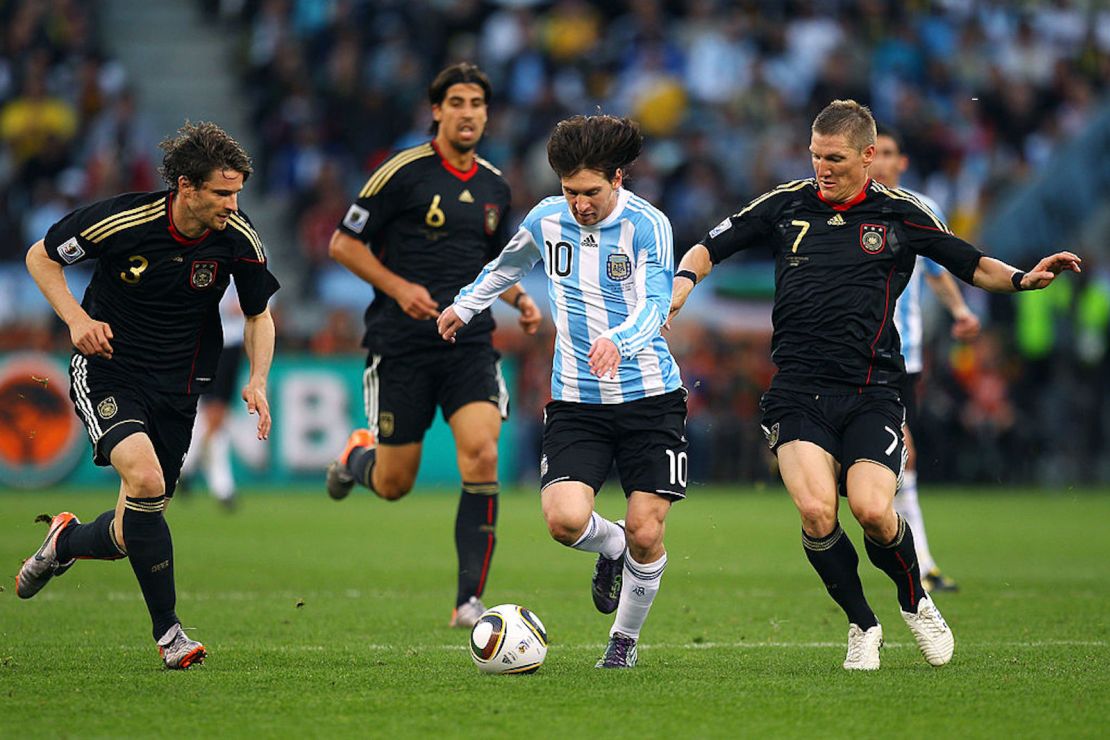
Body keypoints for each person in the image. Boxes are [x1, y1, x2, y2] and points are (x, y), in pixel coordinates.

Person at [669, 99, 1079, 671]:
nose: (822, 168)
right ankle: (863, 624)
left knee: (871, 511)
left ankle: (914, 599)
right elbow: (708, 246)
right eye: (815, 156)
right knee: (816, 512)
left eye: (834, 158)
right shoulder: (785, 205)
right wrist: (684, 281)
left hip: (871, 393)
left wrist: (1024, 279)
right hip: (798, 392)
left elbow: (970, 262)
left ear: (867, 156)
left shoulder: (901, 213)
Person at [17, 121, 279, 669]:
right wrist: (76, 318)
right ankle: (170, 636)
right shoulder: (124, 219)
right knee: (145, 479)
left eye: (237, 193)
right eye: (222, 193)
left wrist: (256, 379)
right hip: (109, 370)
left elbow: (258, 315)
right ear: (186, 187)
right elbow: (40, 257)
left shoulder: (238, 236)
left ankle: (63, 544)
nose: (233, 204)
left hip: (180, 387)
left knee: (133, 525)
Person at [439, 114, 687, 669]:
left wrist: (619, 341)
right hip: (577, 401)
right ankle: (613, 547)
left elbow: (656, 303)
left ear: (618, 178)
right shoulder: (547, 220)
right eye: (570, 191)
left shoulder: (650, 225)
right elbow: (507, 267)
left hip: (650, 398)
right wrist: (464, 305)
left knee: (649, 529)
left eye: (591, 192)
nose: (579, 203)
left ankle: (622, 644)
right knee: (564, 521)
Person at [324, 63, 542, 629]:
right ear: (437, 111)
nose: (468, 111)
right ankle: (355, 458)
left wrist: (517, 298)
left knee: (483, 452)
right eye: (457, 102)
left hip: (468, 342)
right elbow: (343, 244)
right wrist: (399, 289)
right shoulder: (402, 172)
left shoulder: (495, 186)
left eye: (477, 102)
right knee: (395, 484)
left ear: (486, 113)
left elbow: (495, 261)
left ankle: (468, 600)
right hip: (402, 345)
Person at [872, 124, 981, 592]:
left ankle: (916, 558)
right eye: (876, 152)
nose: (882, 162)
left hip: (902, 354)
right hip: (851, 352)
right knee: (900, 454)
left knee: (903, 455)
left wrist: (959, 310)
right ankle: (916, 559)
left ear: (903, 162)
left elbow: (939, 268)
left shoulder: (920, 210)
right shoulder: (836, 210)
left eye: (890, 153)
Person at [181, 284, 246, 510]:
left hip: (231, 344)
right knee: (215, 415)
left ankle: (187, 468)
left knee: (212, 416)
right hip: (213, 341)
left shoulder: (254, 252)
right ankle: (222, 487)